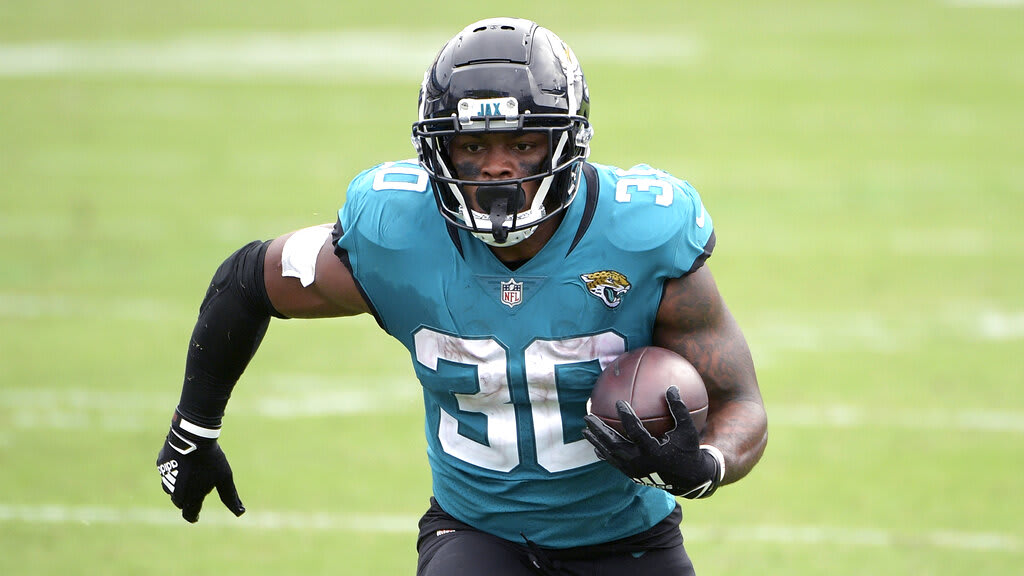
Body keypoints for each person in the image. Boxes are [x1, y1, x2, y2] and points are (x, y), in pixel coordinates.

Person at [156, 17, 767, 575]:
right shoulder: (395, 230)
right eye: (473, 147)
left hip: (628, 539)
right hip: (476, 535)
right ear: (438, 151)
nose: (497, 168)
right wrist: (194, 429)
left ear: (565, 143)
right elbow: (246, 280)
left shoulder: (642, 234)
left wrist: (706, 464)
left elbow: (742, 404)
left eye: (521, 144)